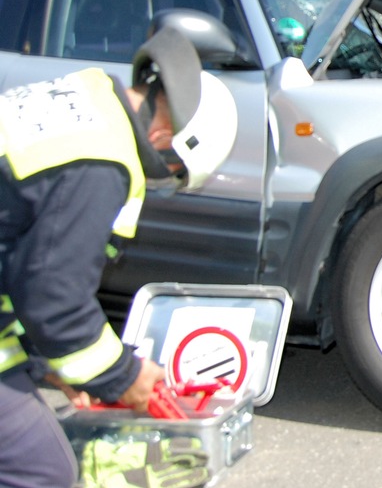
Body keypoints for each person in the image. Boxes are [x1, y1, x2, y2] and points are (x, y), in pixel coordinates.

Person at [0, 25, 238, 488]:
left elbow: (21, 254)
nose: (157, 183)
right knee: (39, 469)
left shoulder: (83, 98)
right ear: (166, 137)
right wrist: (121, 375)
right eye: (170, 176)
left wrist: (48, 362)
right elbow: (56, 302)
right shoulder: (100, 160)